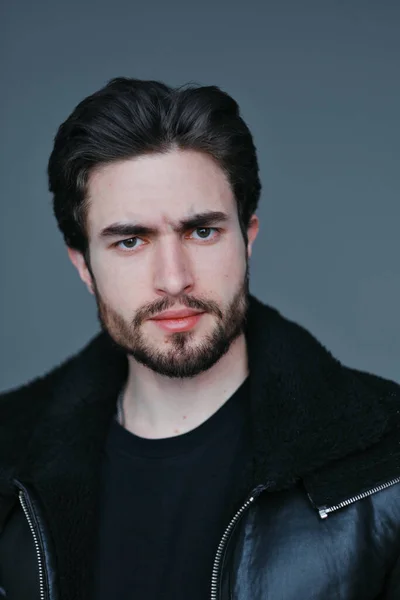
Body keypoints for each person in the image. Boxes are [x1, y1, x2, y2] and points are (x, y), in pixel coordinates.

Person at [0, 77, 399, 600]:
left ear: (247, 237)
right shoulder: (8, 456)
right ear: (84, 266)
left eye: (201, 231)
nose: (173, 278)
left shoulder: (386, 461)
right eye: (130, 240)